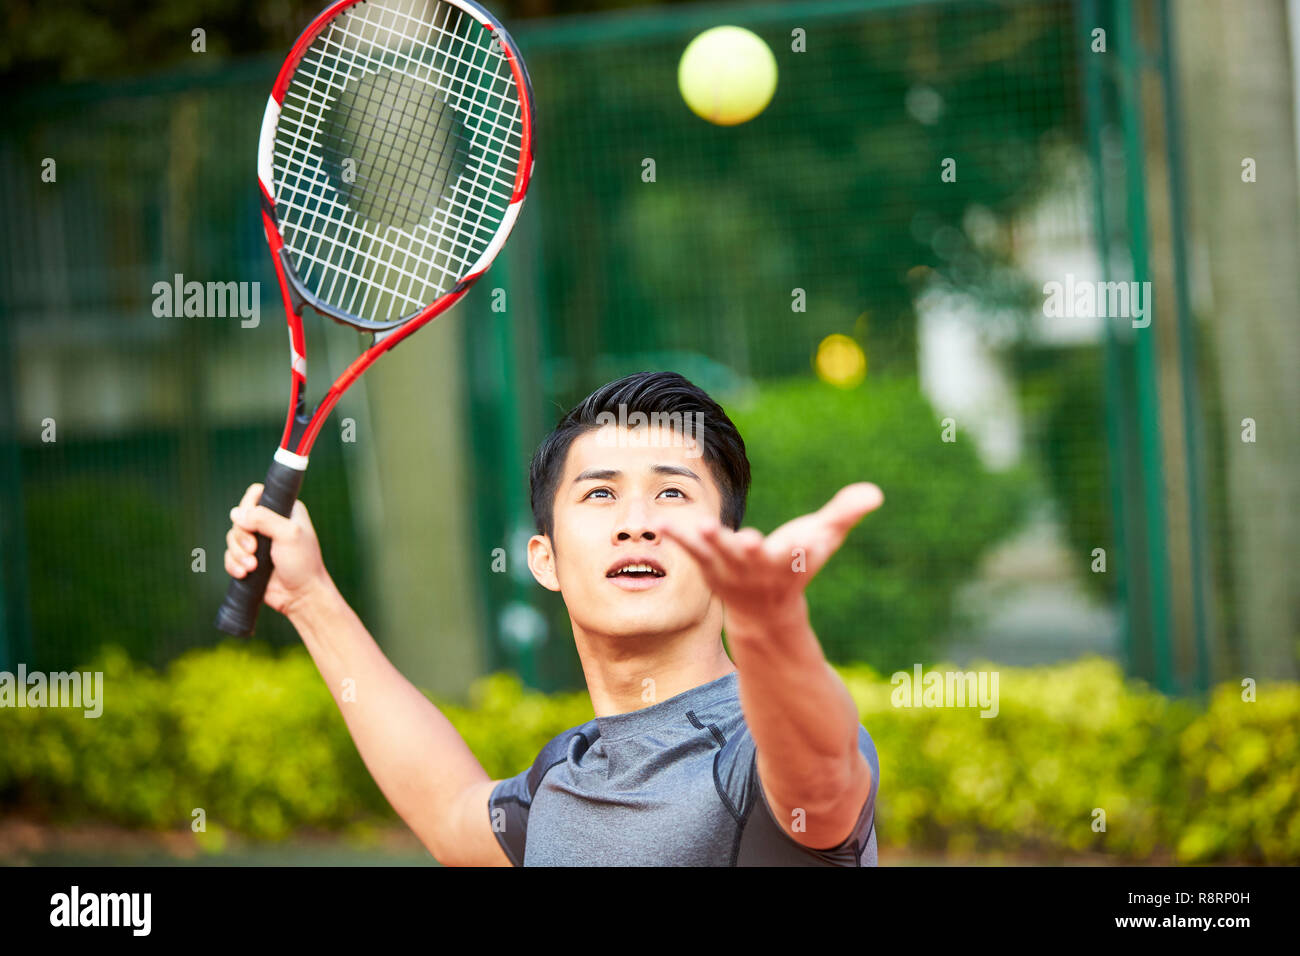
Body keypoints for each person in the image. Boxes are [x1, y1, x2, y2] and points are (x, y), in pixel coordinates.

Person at [224, 371, 883, 865]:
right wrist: (309, 597)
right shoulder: (562, 781)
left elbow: (822, 772)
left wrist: (770, 627)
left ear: (725, 546)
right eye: (600, 493)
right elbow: (451, 813)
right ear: (546, 559)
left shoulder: (754, 756)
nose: (636, 524)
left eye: (672, 493)